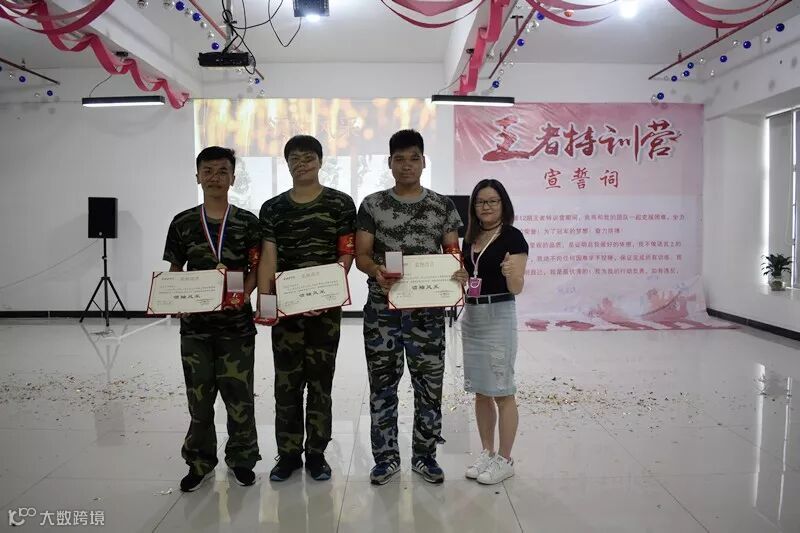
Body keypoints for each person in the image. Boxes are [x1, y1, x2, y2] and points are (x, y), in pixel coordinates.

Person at [355, 129, 465, 485]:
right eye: (399, 159)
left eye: (413, 158)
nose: (406, 165)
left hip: (427, 314)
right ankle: (386, 459)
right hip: (382, 312)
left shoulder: (442, 206)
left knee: (429, 388)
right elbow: (361, 255)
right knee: (382, 387)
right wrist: (376, 271)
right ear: (389, 163)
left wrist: (459, 271)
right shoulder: (372, 205)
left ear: (423, 162)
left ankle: (425, 456)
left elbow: (452, 253)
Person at [257, 135, 357, 482]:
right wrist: (266, 302)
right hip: (286, 312)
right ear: (287, 164)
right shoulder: (272, 208)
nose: (302, 164)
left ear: (320, 161)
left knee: (320, 384)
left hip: (325, 313)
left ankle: (316, 454)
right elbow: (268, 257)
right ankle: (287, 455)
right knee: (286, 385)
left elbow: (346, 253)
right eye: (295, 159)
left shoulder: (340, 204)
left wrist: (327, 295)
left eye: (308, 157)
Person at [163, 146, 262, 492]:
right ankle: (199, 461)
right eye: (208, 171)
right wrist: (174, 299)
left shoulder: (248, 222)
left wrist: (244, 294)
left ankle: (242, 459)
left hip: (236, 328)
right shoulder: (183, 222)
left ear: (233, 178)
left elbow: (255, 268)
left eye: (223, 171)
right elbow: (175, 269)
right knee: (200, 400)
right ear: (197, 176)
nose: (215, 177)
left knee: (240, 397)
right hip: (196, 329)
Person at [460, 179, 528, 485]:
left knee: (502, 390)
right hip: (472, 315)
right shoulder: (470, 238)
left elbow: (517, 287)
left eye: (492, 201)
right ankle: (487, 452)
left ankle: (505, 458)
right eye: (480, 202)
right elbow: (471, 276)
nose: (486, 206)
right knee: (481, 391)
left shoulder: (513, 237)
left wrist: (510, 273)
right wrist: (461, 276)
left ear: (503, 204)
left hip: (499, 314)